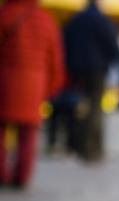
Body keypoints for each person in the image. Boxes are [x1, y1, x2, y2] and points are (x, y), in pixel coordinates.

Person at [0, 0, 65, 189]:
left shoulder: (4, 15)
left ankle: (2, 174)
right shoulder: (46, 19)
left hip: (4, 82)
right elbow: (55, 60)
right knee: (28, 134)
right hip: (35, 85)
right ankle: (22, 177)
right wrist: (50, 89)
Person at [64, 0, 119, 162]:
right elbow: (113, 45)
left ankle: (74, 146)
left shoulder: (75, 20)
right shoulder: (102, 20)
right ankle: (91, 149)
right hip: (96, 70)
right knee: (95, 109)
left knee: (76, 108)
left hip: (75, 70)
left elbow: (65, 43)